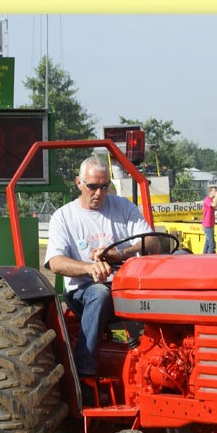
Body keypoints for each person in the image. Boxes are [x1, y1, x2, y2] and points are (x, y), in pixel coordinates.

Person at [44, 156, 156, 377]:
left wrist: (122, 254)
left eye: (104, 187)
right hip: (83, 291)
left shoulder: (123, 206)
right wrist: (90, 268)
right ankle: (84, 371)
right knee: (99, 293)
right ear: (79, 183)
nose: (99, 193)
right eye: (92, 186)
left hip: (125, 287)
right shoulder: (64, 217)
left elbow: (152, 242)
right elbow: (55, 262)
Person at [202, 186, 217, 254]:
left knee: (207, 244)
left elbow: (215, 205)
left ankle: (204, 256)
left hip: (210, 224)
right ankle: (209, 257)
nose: (216, 192)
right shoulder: (207, 199)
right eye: (214, 191)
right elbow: (214, 205)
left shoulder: (211, 200)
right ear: (210, 192)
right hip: (207, 224)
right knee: (212, 244)